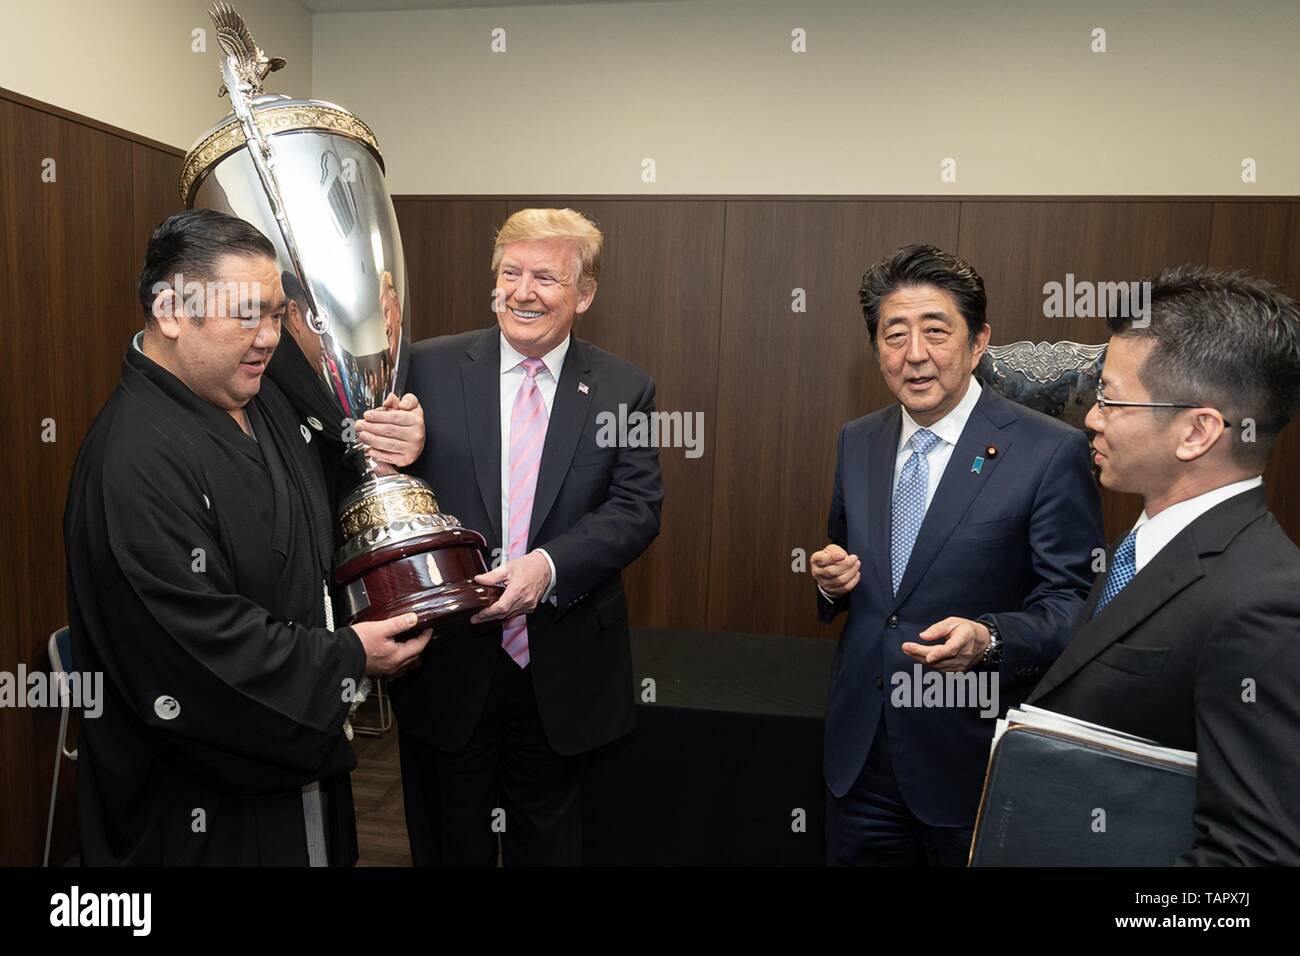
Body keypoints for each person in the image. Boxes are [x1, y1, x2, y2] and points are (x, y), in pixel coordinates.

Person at [65, 209, 431, 865]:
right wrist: (350, 659)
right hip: (200, 816)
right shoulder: (133, 464)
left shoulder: (255, 394)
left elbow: (336, 480)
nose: (269, 337)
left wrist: (390, 444)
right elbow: (199, 655)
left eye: (276, 313)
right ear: (172, 310)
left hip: (302, 785)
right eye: (247, 313)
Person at [811, 244, 1103, 865]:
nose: (914, 354)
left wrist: (990, 638)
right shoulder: (857, 439)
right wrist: (831, 584)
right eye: (894, 335)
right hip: (860, 758)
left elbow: (1075, 604)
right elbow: (857, 571)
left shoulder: (1050, 452)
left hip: (972, 756)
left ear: (977, 344)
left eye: (935, 332)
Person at [391, 208, 663, 865]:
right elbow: (384, 489)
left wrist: (547, 567)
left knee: (550, 841)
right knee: (450, 840)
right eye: (510, 272)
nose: (523, 291)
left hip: (561, 662)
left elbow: (636, 507)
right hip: (450, 661)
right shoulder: (424, 368)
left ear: (584, 295)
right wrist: (388, 454)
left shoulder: (624, 388)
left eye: (546, 276)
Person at [1028, 266, 1300, 866]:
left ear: (1197, 431)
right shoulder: (1144, 542)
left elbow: (1253, 859)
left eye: (1109, 398)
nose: (1091, 418)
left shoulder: (1266, 605)